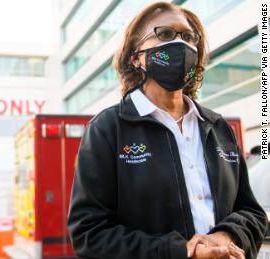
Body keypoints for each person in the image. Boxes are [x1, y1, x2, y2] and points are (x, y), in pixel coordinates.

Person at [66, 2, 268, 259]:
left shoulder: (218, 128)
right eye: (165, 34)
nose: (181, 44)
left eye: (187, 36)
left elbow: (252, 212)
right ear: (136, 56)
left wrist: (226, 236)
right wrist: (182, 252)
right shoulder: (107, 130)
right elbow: (89, 234)